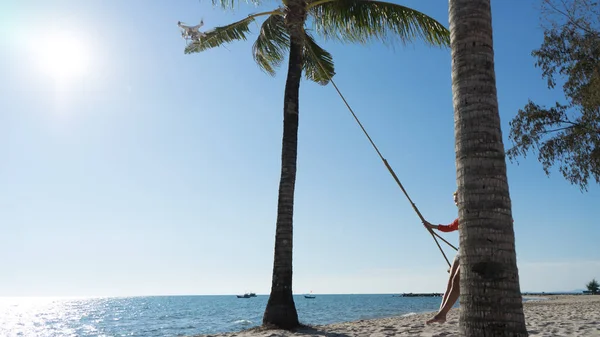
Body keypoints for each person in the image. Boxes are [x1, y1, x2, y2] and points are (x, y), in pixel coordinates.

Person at [423, 191, 460, 324]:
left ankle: (442, 314)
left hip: (471, 251)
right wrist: (431, 226)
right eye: (454, 200)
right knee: (450, 280)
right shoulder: (460, 218)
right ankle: (441, 313)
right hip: (461, 251)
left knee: (456, 280)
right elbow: (448, 227)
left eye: (457, 199)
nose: (456, 202)